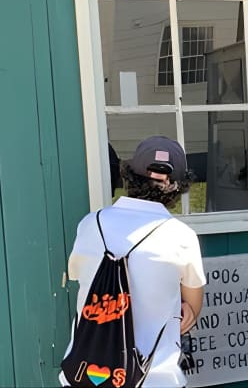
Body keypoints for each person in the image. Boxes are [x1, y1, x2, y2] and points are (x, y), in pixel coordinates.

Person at [61, 136, 205, 387]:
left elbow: (76, 274)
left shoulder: (90, 225)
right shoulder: (181, 237)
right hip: (154, 378)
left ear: (130, 176)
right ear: (177, 186)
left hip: (83, 373)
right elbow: (190, 312)